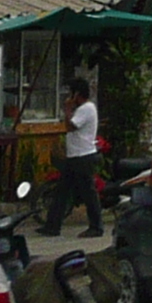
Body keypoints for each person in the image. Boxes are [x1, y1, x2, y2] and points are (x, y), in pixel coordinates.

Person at [43, 77, 103, 239]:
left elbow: (70, 127)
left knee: (88, 193)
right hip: (74, 156)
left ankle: (96, 226)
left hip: (83, 156)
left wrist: (68, 110)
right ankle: (52, 225)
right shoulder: (82, 109)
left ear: (77, 94)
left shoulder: (87, 109)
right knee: (61, 191)